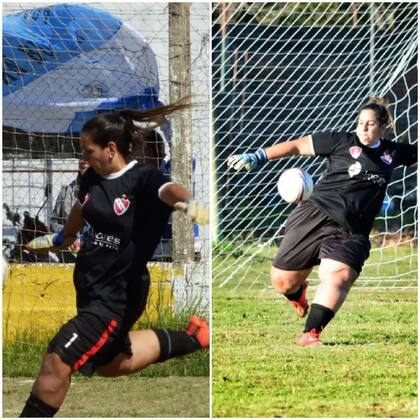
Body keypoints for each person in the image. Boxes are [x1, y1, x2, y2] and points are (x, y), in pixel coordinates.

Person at [21, 99, 209, 417]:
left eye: (87, 151)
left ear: (110, 149)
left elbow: (169, 190)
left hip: (118, 295)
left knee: (58, 360)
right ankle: (196, 338)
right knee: (111, 363)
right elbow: (81, 212)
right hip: (92, 293)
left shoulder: (143, 179)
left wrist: (190, 204)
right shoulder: (90, 180)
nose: (82, 158)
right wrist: (58, 239)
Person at [227, 97, 417, 346]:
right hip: (313, 215)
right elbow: (296, 146)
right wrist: (259, 156)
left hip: (351, 231)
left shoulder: (392, 153)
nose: (364, 128)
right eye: (360, 123)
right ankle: (298, 295)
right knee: (282, 282)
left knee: (339, 275)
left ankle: (311, 334)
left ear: (383, 127)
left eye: (370, 124)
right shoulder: (340, 141)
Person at [49, 159, 89, 262]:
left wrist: (84, 239)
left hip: (93, 253)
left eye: (88, 155)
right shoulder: (66, 191)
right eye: (81, 157)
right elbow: (53, 223)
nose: (82, 160)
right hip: (68, 255)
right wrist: (69, 235)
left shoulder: (103, 191)